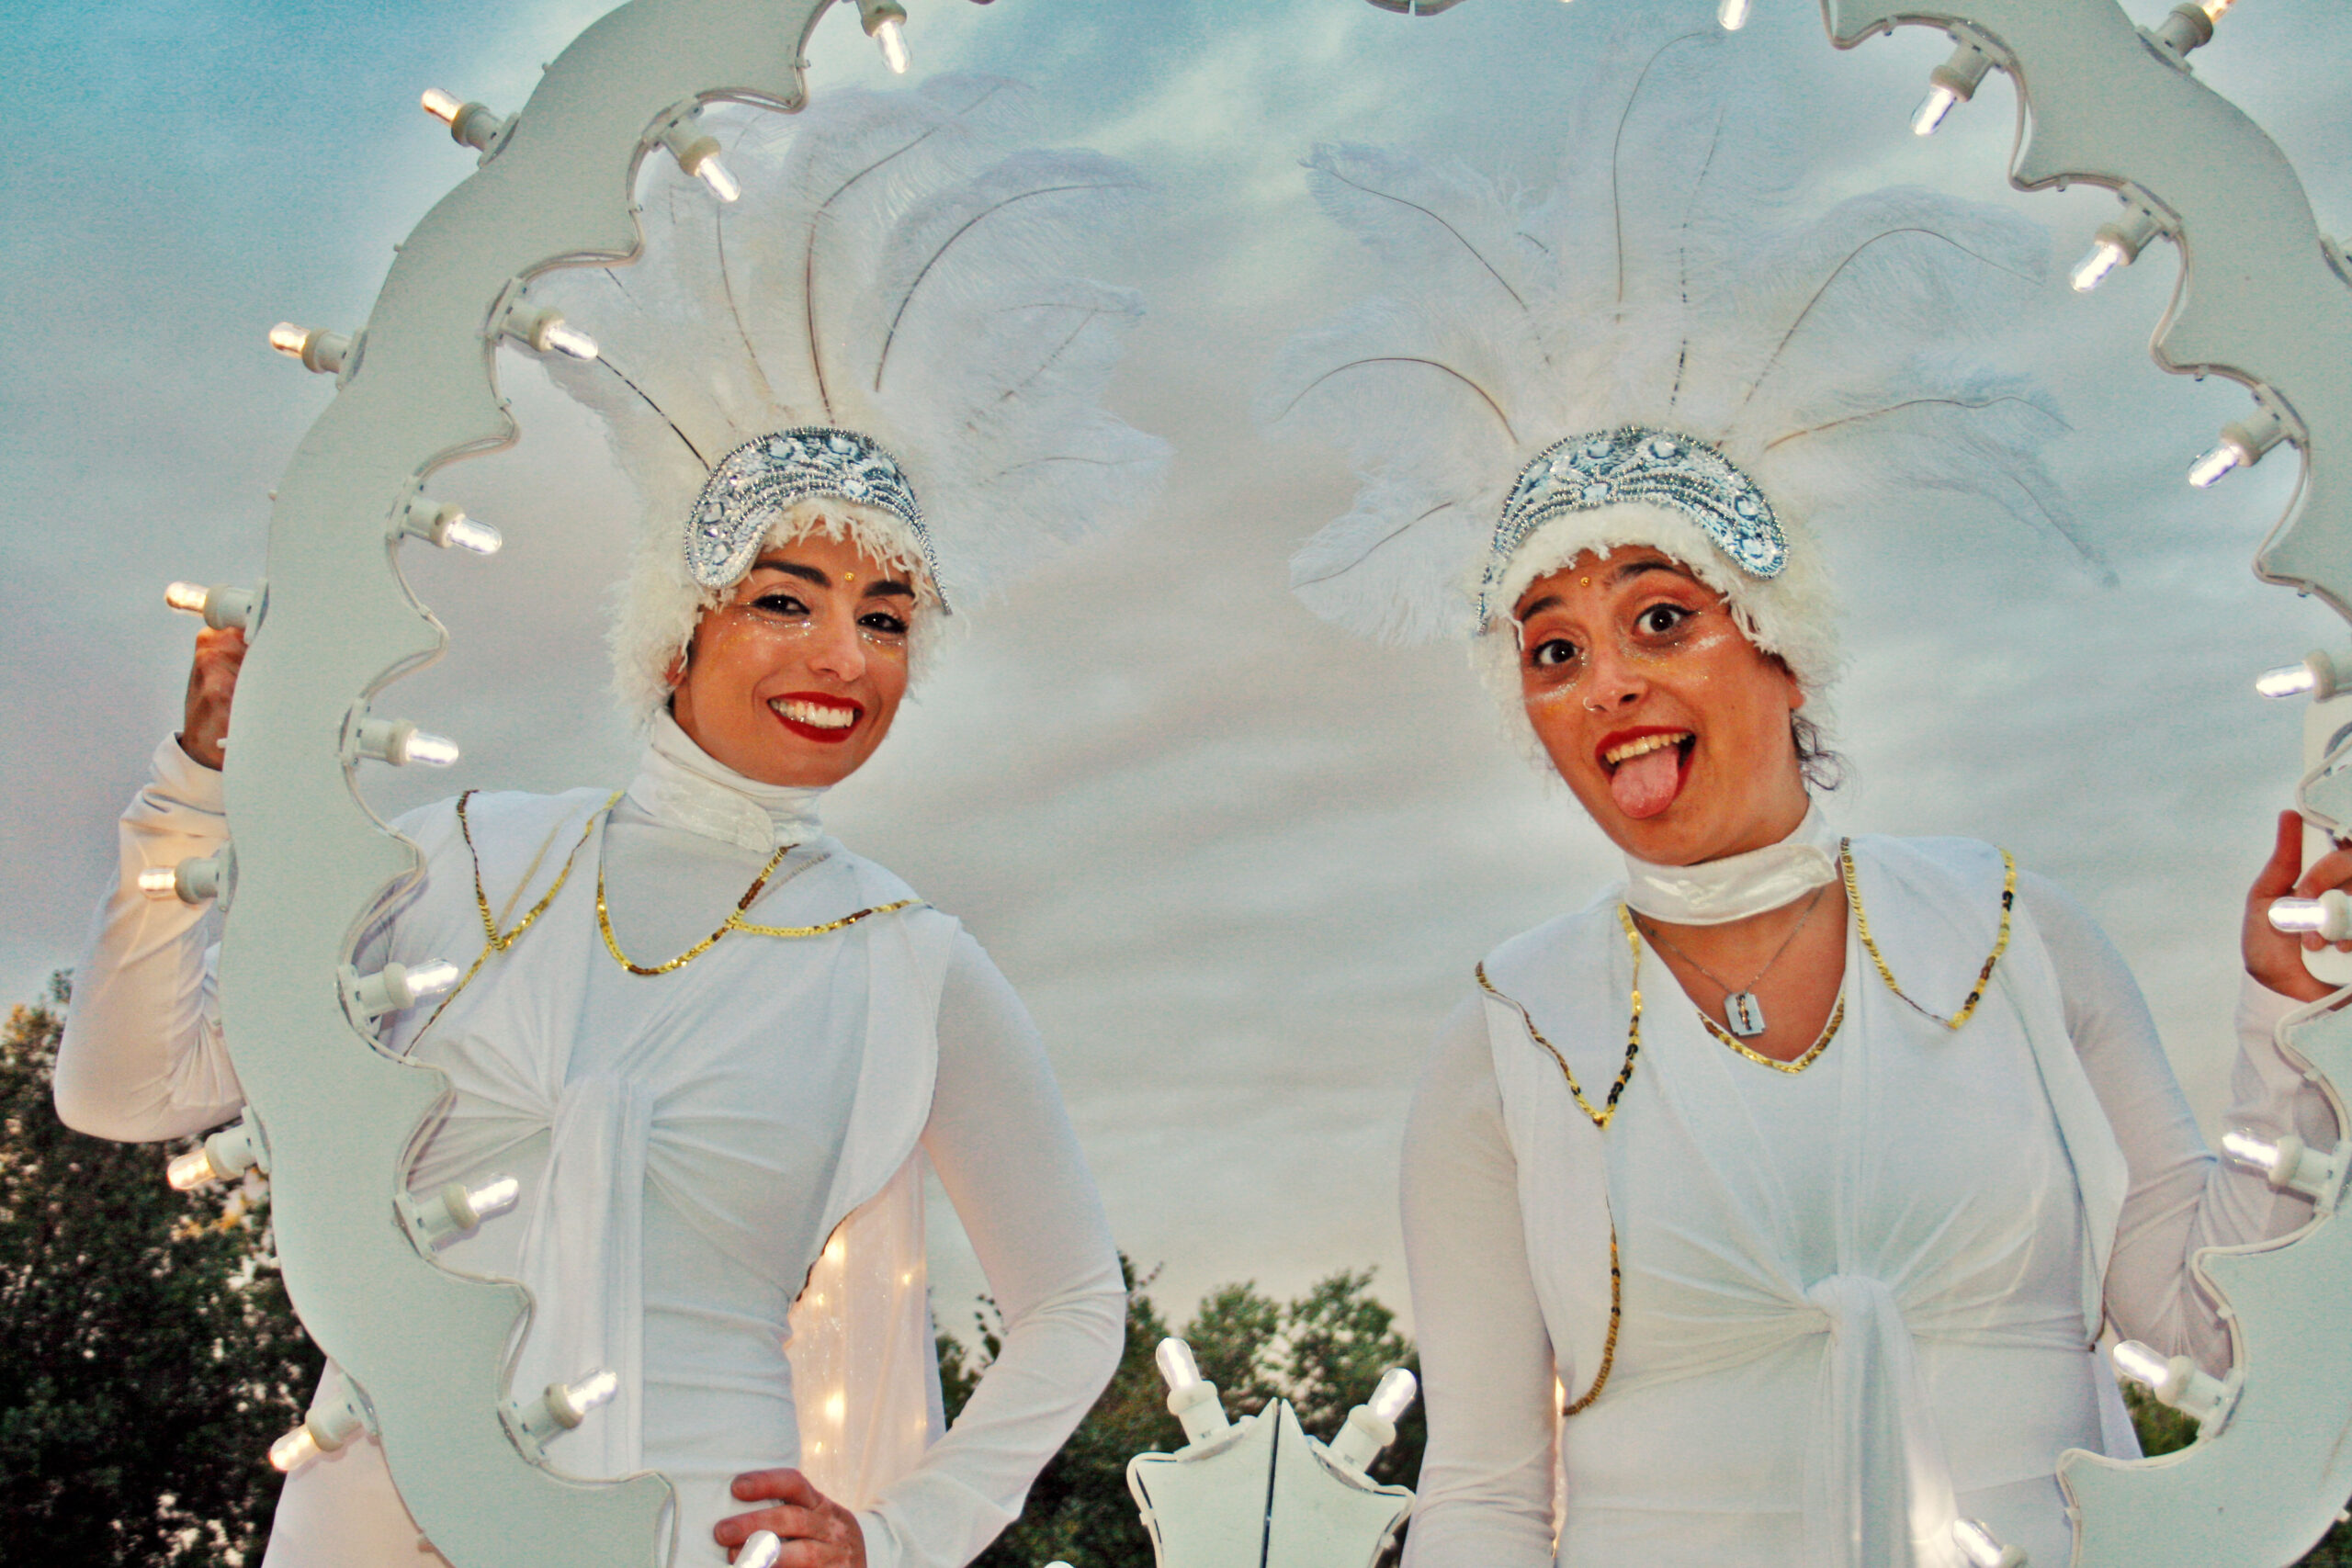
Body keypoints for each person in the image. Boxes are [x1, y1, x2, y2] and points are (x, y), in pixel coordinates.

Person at [1259, 31, 2341, 1568]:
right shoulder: (1509, 1042)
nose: (1607, 684)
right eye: (1552, 650)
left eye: (1660, 618)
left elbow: (2206, 1326)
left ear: (1782, 646)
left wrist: (2288, 1031)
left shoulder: (2014, 934)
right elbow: (1491, 1497)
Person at [55, 79, 1166, 1568]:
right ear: (678, 626)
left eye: (886, 615)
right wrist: (191, 792)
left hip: (695, 1535)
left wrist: (906, 1536)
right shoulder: (466, 860)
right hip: (365, 1520)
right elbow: (126, 1094)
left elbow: (1075, 1304)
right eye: (788, 599)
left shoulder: (907, 962)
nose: (844, 656)